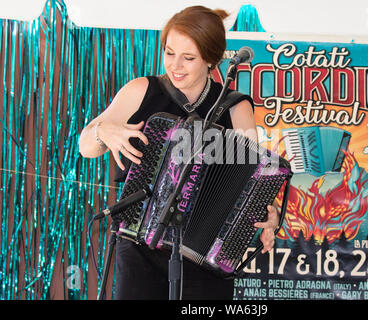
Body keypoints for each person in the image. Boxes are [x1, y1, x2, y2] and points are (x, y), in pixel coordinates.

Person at [78, 5, 279, 300]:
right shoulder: (141, 90)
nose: (176, 66)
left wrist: (267, 217)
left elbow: (248, 183)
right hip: (139, 248)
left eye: (188, 58)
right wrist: (101, 131)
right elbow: (86, 147)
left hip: (204, 256)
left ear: (210, 59)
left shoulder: (236, 108)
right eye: (169, 53)